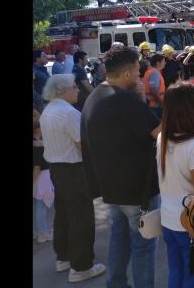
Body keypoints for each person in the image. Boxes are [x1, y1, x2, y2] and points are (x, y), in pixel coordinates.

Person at [81, 45, 161, 288]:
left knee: (119, 240)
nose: (139, 75)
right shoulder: (126, 100)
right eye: (137, 70)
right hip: (138, 191)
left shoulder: (94, 96)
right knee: (143, 247)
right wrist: (139, 99)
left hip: (111, 190)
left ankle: (115, 283)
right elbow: (159, 133)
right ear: (126, 74)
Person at [40, 74, 106, 283]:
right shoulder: (68, 112)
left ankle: (64, 256)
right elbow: (82, 145)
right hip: (73, 169)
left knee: (64, 214)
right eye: (74, 87)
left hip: (56, 169)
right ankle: (81, 266)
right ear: (63, 90)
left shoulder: (48, 111)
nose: (77, 90)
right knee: (81, 217)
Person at [157, 83, 194, 288]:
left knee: (177, 271)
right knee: (192, 277)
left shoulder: (164, 137)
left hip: (169, 219)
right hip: (190, 226)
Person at [33, 118, 54, 244]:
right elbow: (37, 166)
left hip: (39, 177)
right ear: (37, 130)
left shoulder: (38, 143)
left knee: (36, 205)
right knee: (41, 206)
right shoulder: (38, 146)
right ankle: (43, 232)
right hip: (40, 178)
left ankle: (36, 231)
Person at [143, 53, 167, 119]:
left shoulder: (151, 71)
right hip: (155, 106)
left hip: (153, 105)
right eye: (163, 61)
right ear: (158, 63)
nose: (165, 63)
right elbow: (153, 90)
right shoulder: (154, 73)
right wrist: (162, 103)